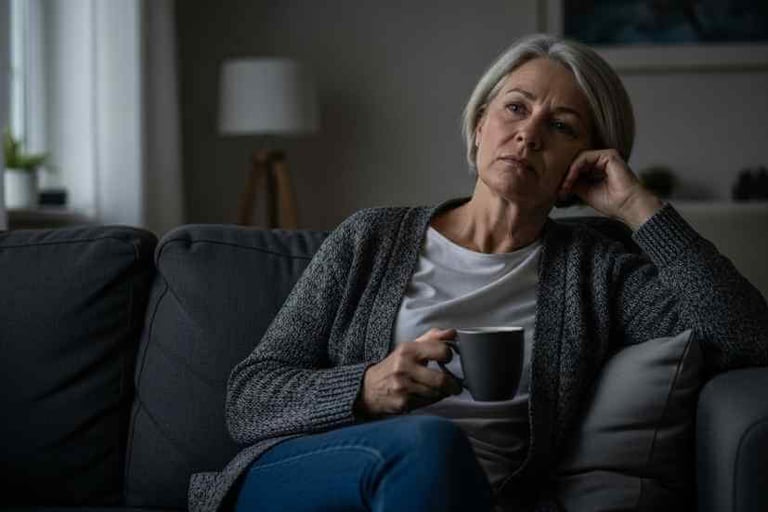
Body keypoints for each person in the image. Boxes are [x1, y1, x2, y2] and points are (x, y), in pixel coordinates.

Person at [189, 34, 768, 512]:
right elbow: (248, 399)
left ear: (585, 164)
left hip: (467, 498)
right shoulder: (370, 238)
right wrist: (365, 389)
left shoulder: (599, 273)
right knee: (429, 444)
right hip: (318, 476)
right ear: (479, 125)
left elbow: (749, 338)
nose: (530, 132)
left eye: (562, 126)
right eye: (516, 107)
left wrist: (639, 208)